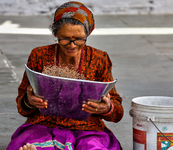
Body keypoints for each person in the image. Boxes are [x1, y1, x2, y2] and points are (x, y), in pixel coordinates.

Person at [7, 1, 124, 150]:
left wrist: (107, 108)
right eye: (65, 38)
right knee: (33, 143)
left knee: (92, 146)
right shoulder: (39, 55)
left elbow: (118, 113)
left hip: (87, 128)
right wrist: (29, 101)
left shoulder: (99, 59)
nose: (72, 45)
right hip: (44, 124)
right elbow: (22, 106)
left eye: (79, 39)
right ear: (55, 34)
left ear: (88, 34)